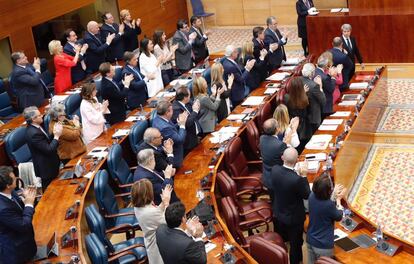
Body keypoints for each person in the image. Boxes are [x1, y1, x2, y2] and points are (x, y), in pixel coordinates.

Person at [270, 147, 311, 264]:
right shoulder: (297, 180)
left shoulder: (275, 169)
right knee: (296, 244)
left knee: (285, 239)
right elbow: (307, 194)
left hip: (279, 212)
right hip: (293, 218)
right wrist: (303, 175)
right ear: (297, 160)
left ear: (282, 157)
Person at [0, 166, 37, 264]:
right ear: (8, 185)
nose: (17, 178)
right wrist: (29, 203)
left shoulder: (11, 192)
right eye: (14, 178)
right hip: (16, 250)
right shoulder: (3, 209)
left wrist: (28, 198)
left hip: (26, 241)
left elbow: (22, 210)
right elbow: (24, 225)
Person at [307, 174, 347, 263]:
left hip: (310, 240)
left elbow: (325, 204)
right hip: (323, 245)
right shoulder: (328, 205)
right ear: (328, 191)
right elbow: (339, 216)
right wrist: (338, 200)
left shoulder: (312, 196)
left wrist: (333, 194)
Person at [132, 179, 173, 264]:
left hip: (151, 237)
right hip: (158, 244)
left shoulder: (138, 206)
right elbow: (169, 221)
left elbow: (156, 213)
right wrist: (166, 203)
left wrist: (163, 202)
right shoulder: (149, 212)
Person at [24, 106, 62, 190]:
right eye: (39, 115)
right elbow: (49, 149)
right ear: (33, 119)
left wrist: (54, 133)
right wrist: (56, 136)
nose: (42, 115)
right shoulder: (33, 133)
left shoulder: (37, 126)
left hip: (51, 164)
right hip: (46, 168)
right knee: (49, 191)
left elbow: (46, 140)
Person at [152, 100, 188, 168]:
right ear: (167, 112)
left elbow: (172, 128)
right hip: (175, 158)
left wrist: (179, 123)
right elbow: (180, 140)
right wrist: (182, 124)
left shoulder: (158, 118)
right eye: (171, 110)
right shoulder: (165, 128)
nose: (173, 112)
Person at [259, 118, 290, 189]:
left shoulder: (262, 138)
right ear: (277, 129)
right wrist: (287, 144)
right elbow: (289, 159)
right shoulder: (280, 145)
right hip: (279, 179)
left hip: (267, 178)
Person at [172, 86, 201, 154]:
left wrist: (197, 107)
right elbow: (187, 123)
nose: (190, 97)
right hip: (188, 142)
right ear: (185, 97)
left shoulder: (188, 102)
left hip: (195, 136)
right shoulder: (176, 109)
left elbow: (197, 114)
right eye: (189, 95)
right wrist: (195, 111)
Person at [284, 77, 309, 152]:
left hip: (292, 124)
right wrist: (304, 93)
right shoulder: (304, 98)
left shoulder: (286, 97)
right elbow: (306, 113)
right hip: (304, 127)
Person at [301, 63, 325, 135]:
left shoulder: (296, 81)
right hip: (313, 117)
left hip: (302, 116)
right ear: (312, 73)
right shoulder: (314, 85)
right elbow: (323, 100)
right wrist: (320, 87)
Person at [315, 53, 337, 117]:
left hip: (318, 105)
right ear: (326, 66)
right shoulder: (324, 77)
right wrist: (333, 77)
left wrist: (329, 76)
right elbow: (331, 89)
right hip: (326, 106)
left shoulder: (315, 71)